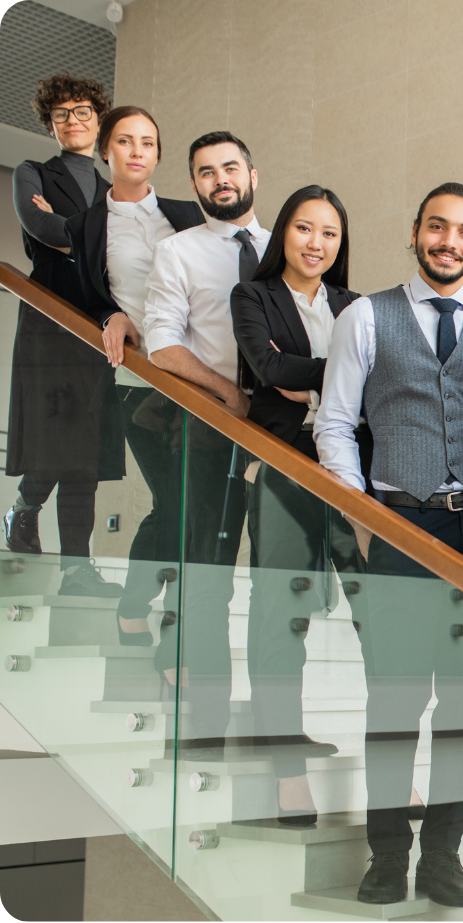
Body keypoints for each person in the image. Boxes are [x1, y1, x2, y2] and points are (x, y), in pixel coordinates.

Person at [315, 182, 463, 908]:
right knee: (395, 702)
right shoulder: (363, 317)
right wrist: (365, 517)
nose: (449, 241)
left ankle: (443, 852)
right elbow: (336, 423)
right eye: (437, 227)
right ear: (414, 233)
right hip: (400, 526)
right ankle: (387, 853)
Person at [230, 185, 366, 824]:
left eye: (329, 233)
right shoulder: (252, 296)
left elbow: (376, 380)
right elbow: (265, 365)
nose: (316, 243)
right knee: (282, 623)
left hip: (351, 477)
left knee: (382, 618)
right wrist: (342, 369)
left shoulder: (357, 305)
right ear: (283, 232)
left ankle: (395, 768)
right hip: (284, 472)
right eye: (305, 229)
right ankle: (287, 769)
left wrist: (301, 373)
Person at [143, 130, 270, 758]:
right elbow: (162, 344)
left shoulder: (288, 247)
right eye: (205, 172)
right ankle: (200, 730)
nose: (219, 179)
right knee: (207, 575)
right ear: (194, 185)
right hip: (211, 427)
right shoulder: (179, 251)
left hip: (281, 439)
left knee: (282, 582)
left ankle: (279, 732)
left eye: (230, 167)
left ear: (253, 175)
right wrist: (229, 394)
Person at [64, 105, 204, 646]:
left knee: (199, 506)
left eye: (148, 142)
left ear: (158, 154)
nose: (138, 151)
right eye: (126, 141)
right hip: (136, 384)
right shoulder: (86, 225)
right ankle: (133, 607)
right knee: (173, 502)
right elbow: (81, 298)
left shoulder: (184, 215)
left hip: (195, 381)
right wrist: (110, 315)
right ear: (106, 151)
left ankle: (176, 618)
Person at [4, 73, 124, 597]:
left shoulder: (115, 187)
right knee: (57, 444)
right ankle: (24, 509)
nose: (72, 120)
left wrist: (70, 231)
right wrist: (90, 237)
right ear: (51, 126)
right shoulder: (31, 172)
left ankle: (77, 570)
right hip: (51, 323)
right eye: (61, 115)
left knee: (87, 455)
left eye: (81, 111)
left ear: (98, 120)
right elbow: (41, 229)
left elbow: (112, 250)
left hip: (100, 329)